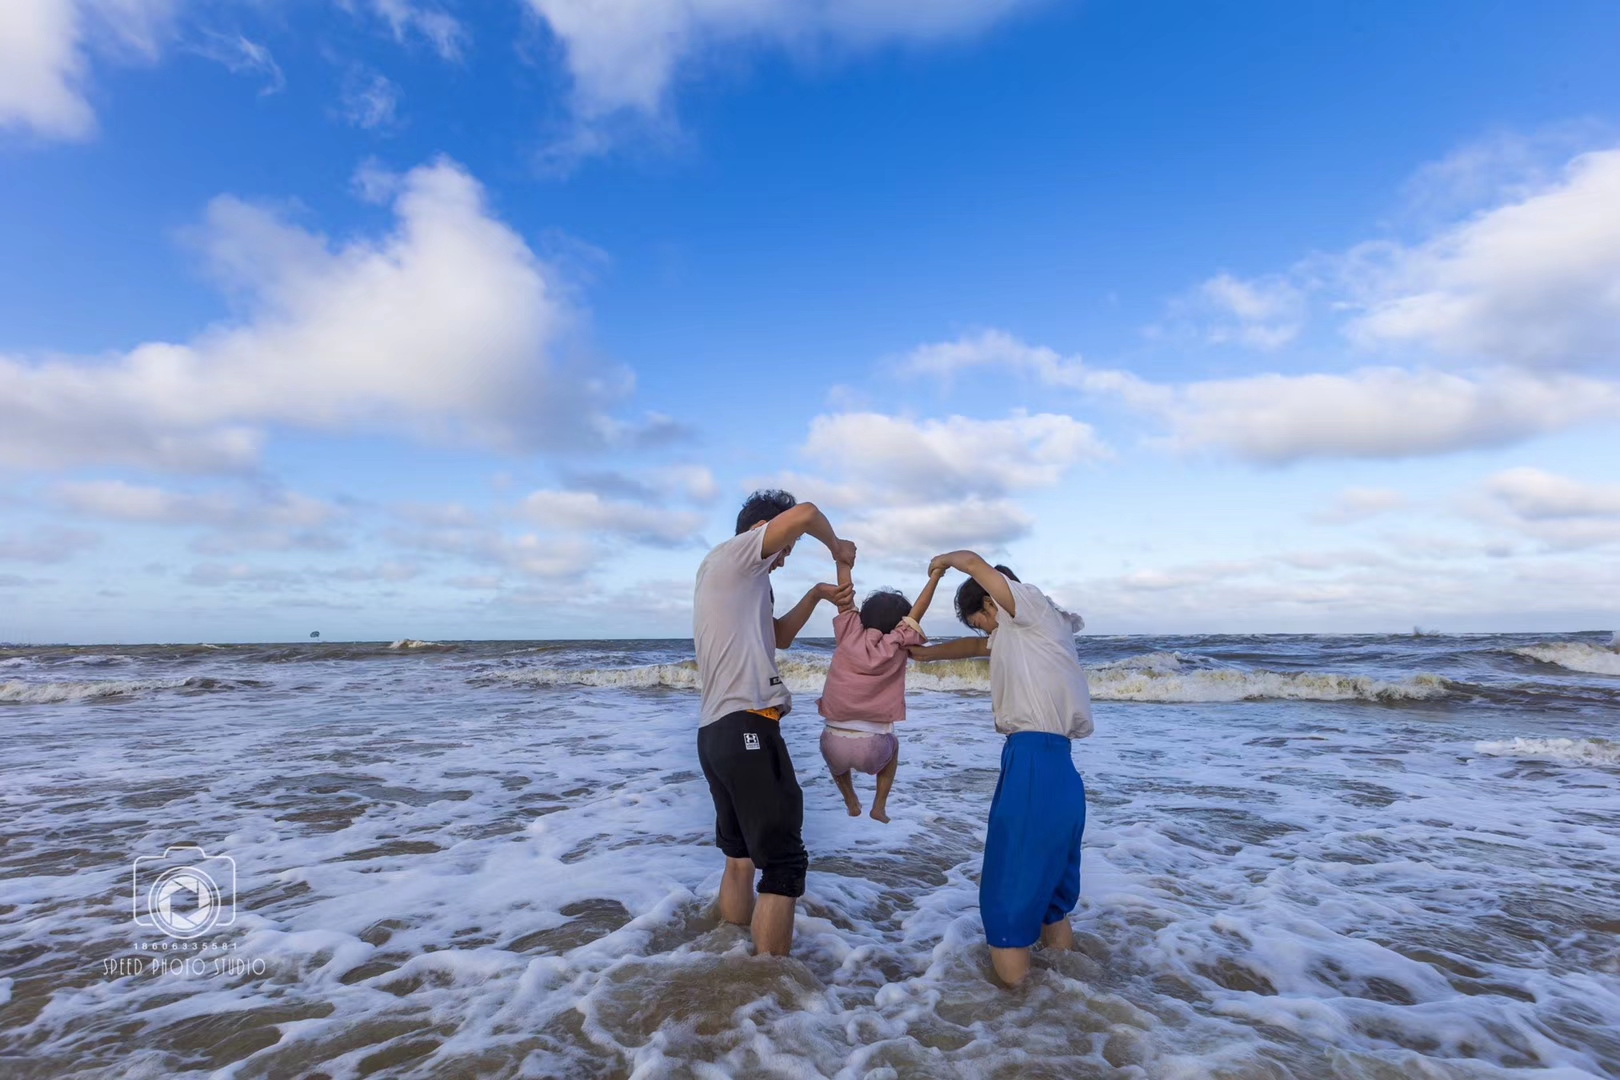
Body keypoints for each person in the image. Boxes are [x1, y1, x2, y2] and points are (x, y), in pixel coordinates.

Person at [907, 551, 1091, 987]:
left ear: (991, 602)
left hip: (1033, 764)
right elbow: (975, 648)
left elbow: (973, 562)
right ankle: (1069, 1004)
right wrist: (926, 655)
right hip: (1060, 769)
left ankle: (1014, 1013)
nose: (983, 631)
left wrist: (943, 563)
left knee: (1007, 896)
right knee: (1051, 897)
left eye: (980, 620)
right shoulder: (1036, 630)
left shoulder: (1025, 603)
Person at [693, 489, 856, 956]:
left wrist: (816, 595)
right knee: (784, 864)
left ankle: (736, 964)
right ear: (759, 531)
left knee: (741, 858)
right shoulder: (740, 554)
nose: (783, 559)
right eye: (785, 549)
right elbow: (805, 513)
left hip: (715, 732)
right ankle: (769, 989)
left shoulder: (737, 577)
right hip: (748, 724)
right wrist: (837, 547)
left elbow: (779, 635)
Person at [816, 562, 947, 823]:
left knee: (836, 763)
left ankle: (850, 799)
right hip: (873, 744)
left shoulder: (848, 631)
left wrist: (842, 562)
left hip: (831, 741)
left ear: (863, 615)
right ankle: (879, 805)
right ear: (901, 622)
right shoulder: (898, 640)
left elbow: (845, 596)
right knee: (893, 748)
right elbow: (919, 611)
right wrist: (935, 577)